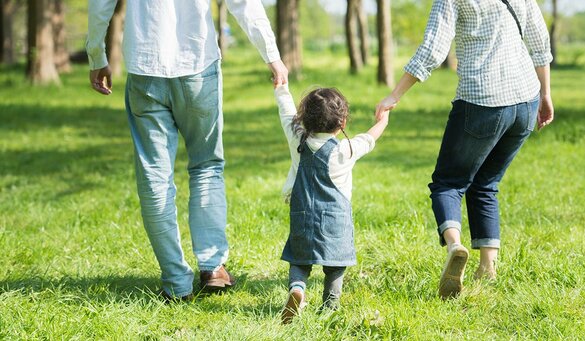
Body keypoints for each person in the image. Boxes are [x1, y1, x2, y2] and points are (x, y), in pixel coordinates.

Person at [86, 0, 288, 301]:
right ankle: (212, 267)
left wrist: (96, 55)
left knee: (154, 177)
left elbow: (101, 4)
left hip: (145, 65)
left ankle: (176, 281)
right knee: (206, 166)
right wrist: (271, 54)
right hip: (198, 63)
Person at [375, 0, 555, 299]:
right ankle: (487, 268)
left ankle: (455, 246)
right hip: (526, 100)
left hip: (481, 101)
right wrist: (546, 94)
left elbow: (433, 48)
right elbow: (539, 40)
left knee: (448, 183)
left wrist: (395, 94)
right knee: (486, 183)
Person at [274, 84, 390, 323]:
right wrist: (383, 119)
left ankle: (297, 289)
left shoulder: (298, 140)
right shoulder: (345, 150)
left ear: (304, 119)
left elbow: (286, 113)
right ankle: (330, 304)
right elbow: (369, 139)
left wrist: (281, 88)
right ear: (343, 122)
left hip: (302, 215)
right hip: (335, 221)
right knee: (336, 264)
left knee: (299, 259)